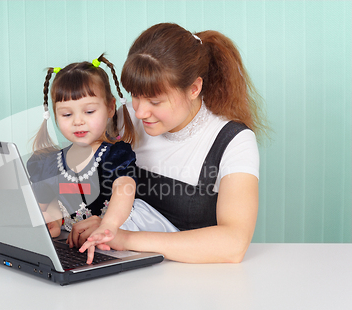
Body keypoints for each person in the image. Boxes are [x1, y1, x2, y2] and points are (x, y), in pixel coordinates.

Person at [73, 23, 267, 263]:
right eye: (135, 94)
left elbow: (234, 243)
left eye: (155, 101)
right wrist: (100, 220)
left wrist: (126, 238)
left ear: (194, 88)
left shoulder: (232, 141)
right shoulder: (126, 121)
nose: (140, 111)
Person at [27, 54, 179, 263]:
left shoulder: (115, 155)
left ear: (109, 107)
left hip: (122, 231)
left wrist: (108, 226)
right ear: (54, 115)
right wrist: (51, 219)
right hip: (79, 243)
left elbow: (124, 189)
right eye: (66, 115)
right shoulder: (48, 163)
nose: (78, 121)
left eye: (89, 111)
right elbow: (47, 203)